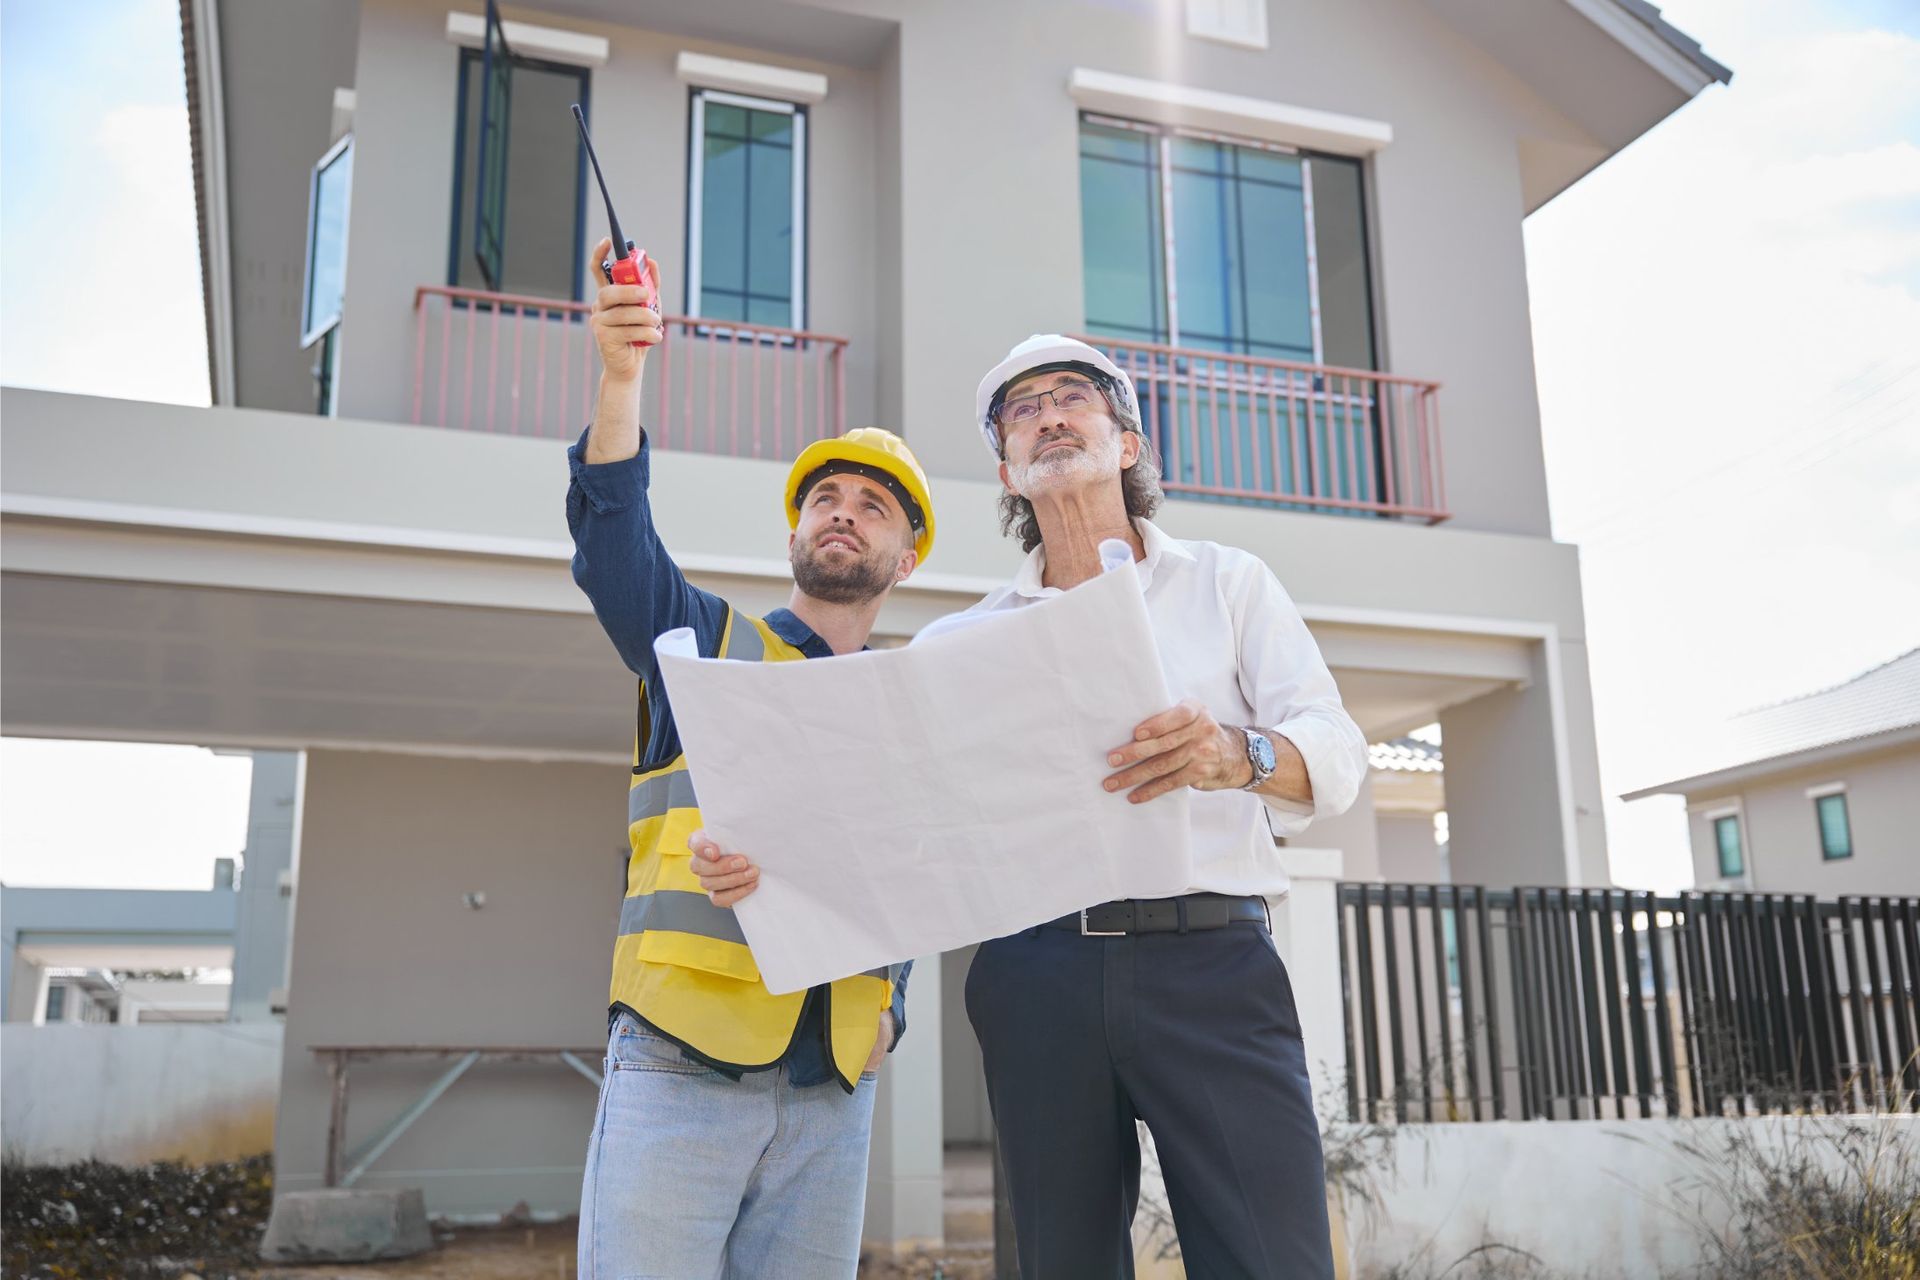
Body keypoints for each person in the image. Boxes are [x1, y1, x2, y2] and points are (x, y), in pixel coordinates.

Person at [568, 235, 936, 1280]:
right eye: (825, 498)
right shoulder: (705, 644)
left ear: (903, 555)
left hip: (833, 1091)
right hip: (680, 1070)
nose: (843, 513)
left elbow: (921, 873)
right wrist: (622, 377)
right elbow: (613, 546)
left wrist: (893, 1006)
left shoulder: (905, 709)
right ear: (796, 529)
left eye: (872, 506)